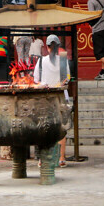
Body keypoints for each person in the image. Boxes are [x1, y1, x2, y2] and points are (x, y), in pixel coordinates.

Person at [33, 35, 71, 166]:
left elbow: (36, 80)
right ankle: (61, 158)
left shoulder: (40, 61)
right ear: (58, 47)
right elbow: (67, 79)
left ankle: (42, 159)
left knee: (44, 128)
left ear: (47, 47)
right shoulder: (63, 61)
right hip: (60, 97)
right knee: (61, 128)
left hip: (45, 98)